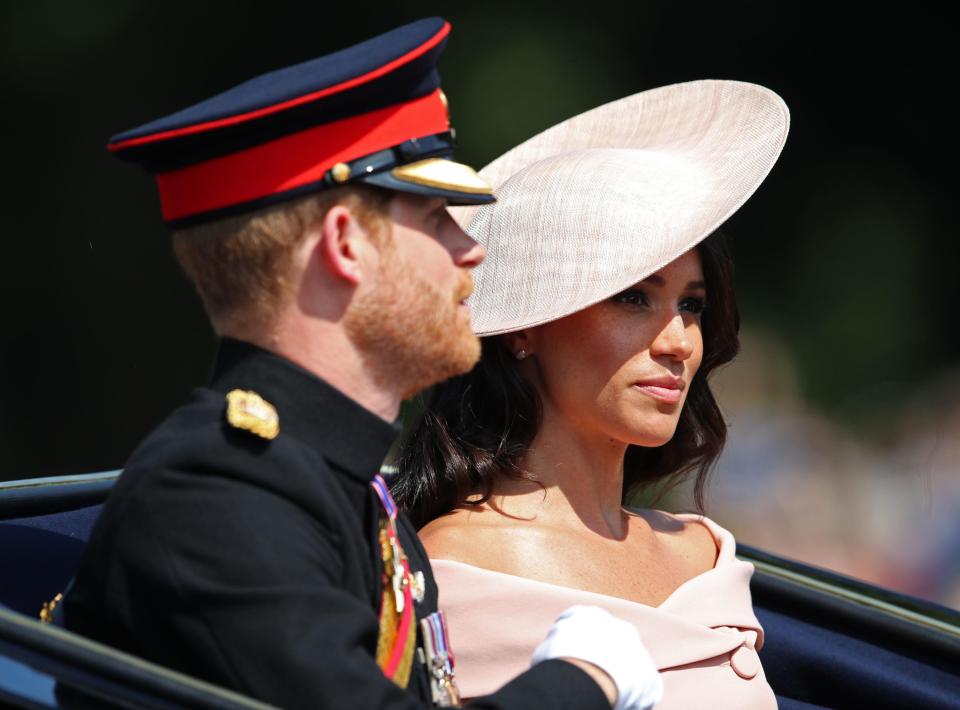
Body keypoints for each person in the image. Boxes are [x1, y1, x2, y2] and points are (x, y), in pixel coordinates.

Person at [60, 18, 663, 710]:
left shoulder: (333, 486)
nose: (470, 250)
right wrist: (582, 679)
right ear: (346, 245)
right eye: (437, 217)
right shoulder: (216, 497)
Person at [393, 80, 790, 709]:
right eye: (634, 296)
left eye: (691, 305)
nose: (679, 341)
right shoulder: (458, 565)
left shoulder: (707, 552)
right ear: (525, 326)